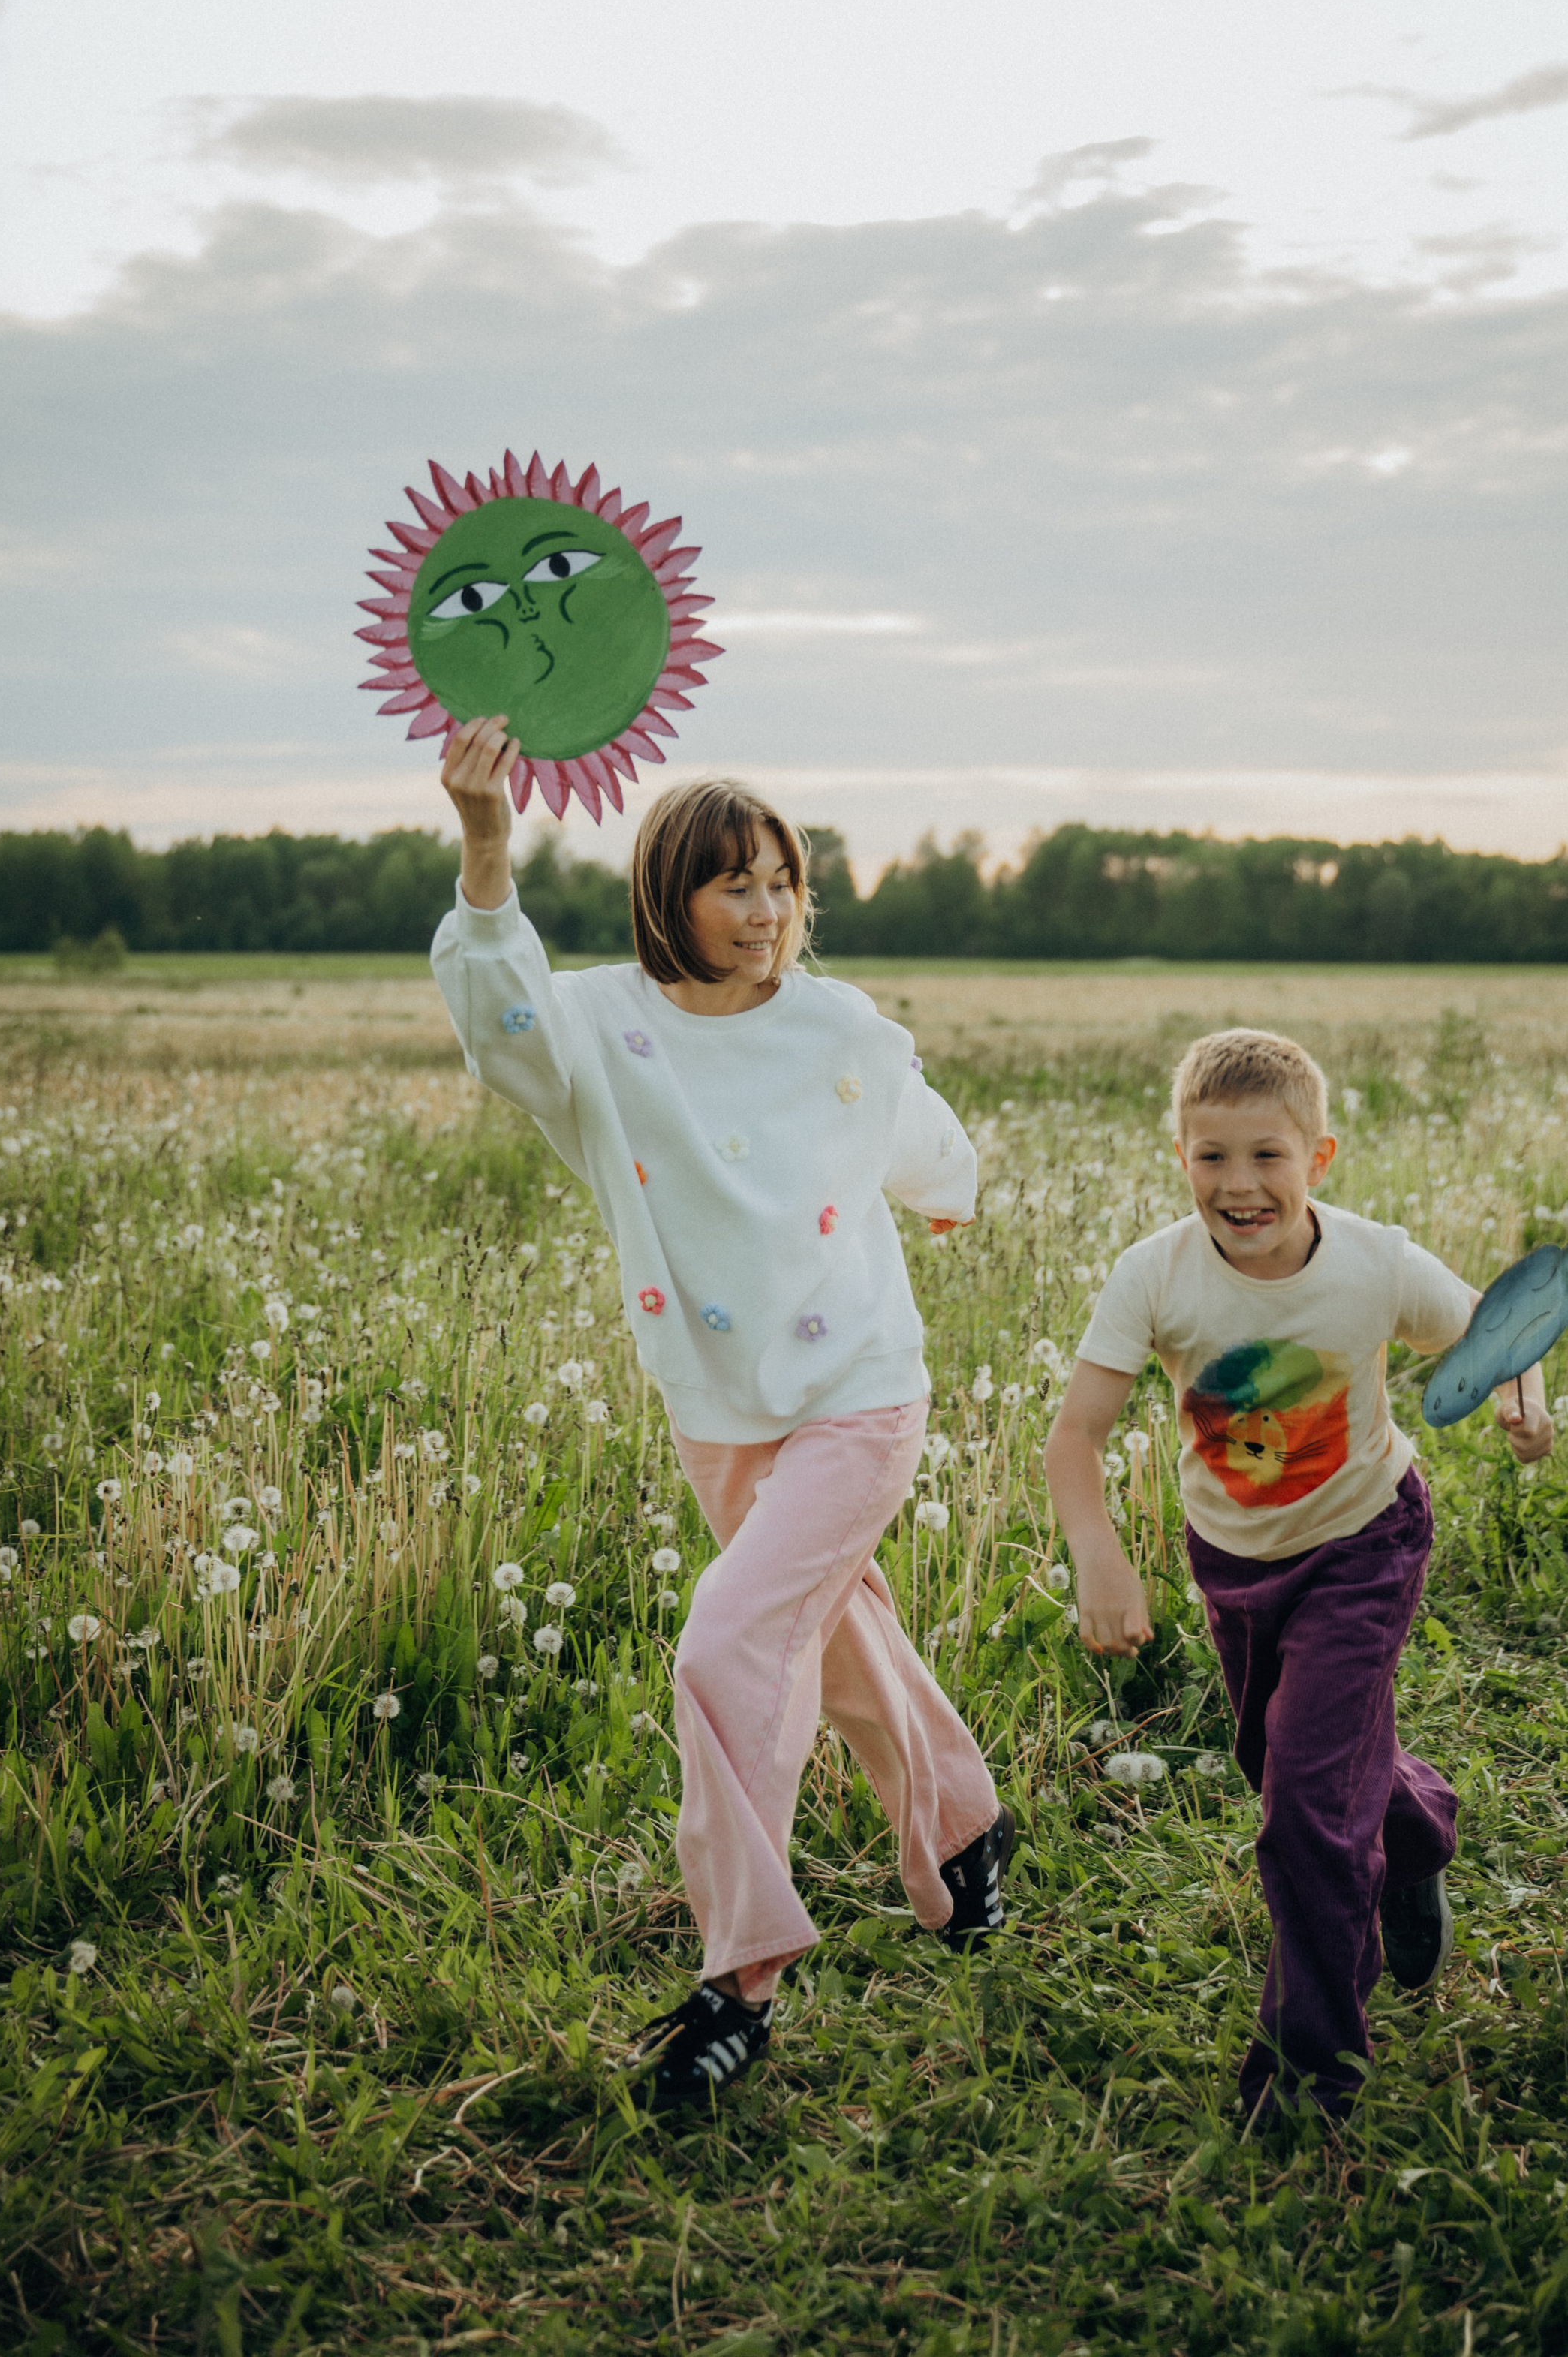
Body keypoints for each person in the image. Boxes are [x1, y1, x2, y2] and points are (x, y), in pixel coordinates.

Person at [432, 718, 1013, 2112]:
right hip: (718, 1405)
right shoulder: (598, 1027)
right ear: (669, 899)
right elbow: (497, 1021)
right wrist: (486, 841)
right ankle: (969, 1831)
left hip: (862, 1395)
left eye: (783, 884)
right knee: (841, 1627)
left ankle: (738, 1983)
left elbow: (944, 1158)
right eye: (734, 886)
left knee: (733, 1639)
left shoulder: (844, 1029)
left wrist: (931, 1197)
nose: (767, 914)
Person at [1043, 1025, 1551, 2127]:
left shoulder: (1375, 1263)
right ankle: (1413, 1838)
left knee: (1303, 1811)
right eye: (1211, 1157)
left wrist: (1520, 1395)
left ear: (1318, 1158)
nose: (1238, 1184)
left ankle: (1309, 2070)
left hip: (1366, 1547)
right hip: (1232, 1561)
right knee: (1278, 1759)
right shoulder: (1156, 1275)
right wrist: (1098, 1552)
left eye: (1266, 1156)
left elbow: (1499, 1329)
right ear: (1180, 1158)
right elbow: (1075, 1433)